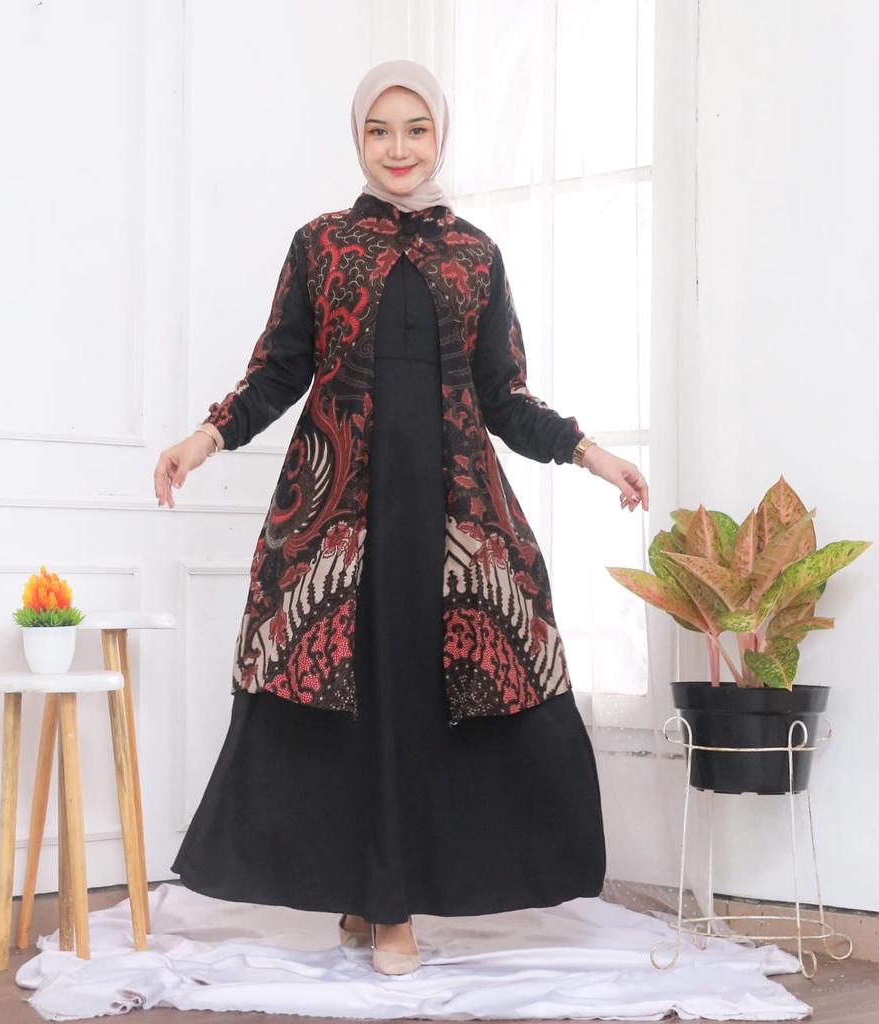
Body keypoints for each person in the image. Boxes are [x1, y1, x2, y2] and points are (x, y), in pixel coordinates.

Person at [154, 60, 649, 977]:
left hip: (454, 515)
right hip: (342, 515)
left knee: (430, 701)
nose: (398, 148)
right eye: (379, 130)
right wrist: (205, 438)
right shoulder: (321, 244)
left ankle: (385, 898)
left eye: (415, 129)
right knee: (354, 704)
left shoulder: (476, 254)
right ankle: (382, 905)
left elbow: (505, 396)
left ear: (441, 136)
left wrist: (591, 453)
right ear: (357, 139)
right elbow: (278, 371)